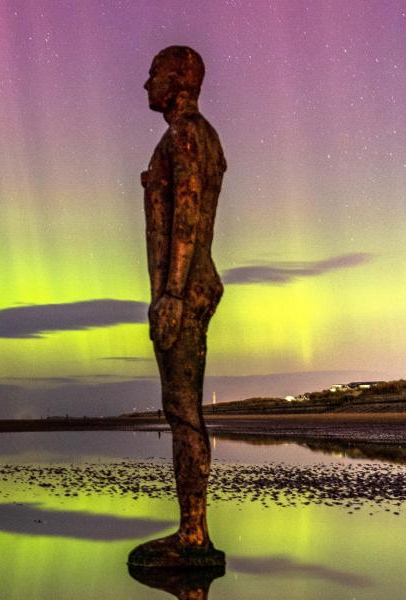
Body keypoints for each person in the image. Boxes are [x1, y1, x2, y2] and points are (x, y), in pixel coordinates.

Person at [129, 45, 227, 568]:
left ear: (180, 80)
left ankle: (193, 535)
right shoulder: (196, 135)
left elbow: (186, 214)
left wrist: (170, 294)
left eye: (154, 74)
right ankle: (192, 527)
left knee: (182, 411)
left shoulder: (185, 135)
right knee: (183, 409)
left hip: (184, 290)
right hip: (189, 286)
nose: (146, 84)